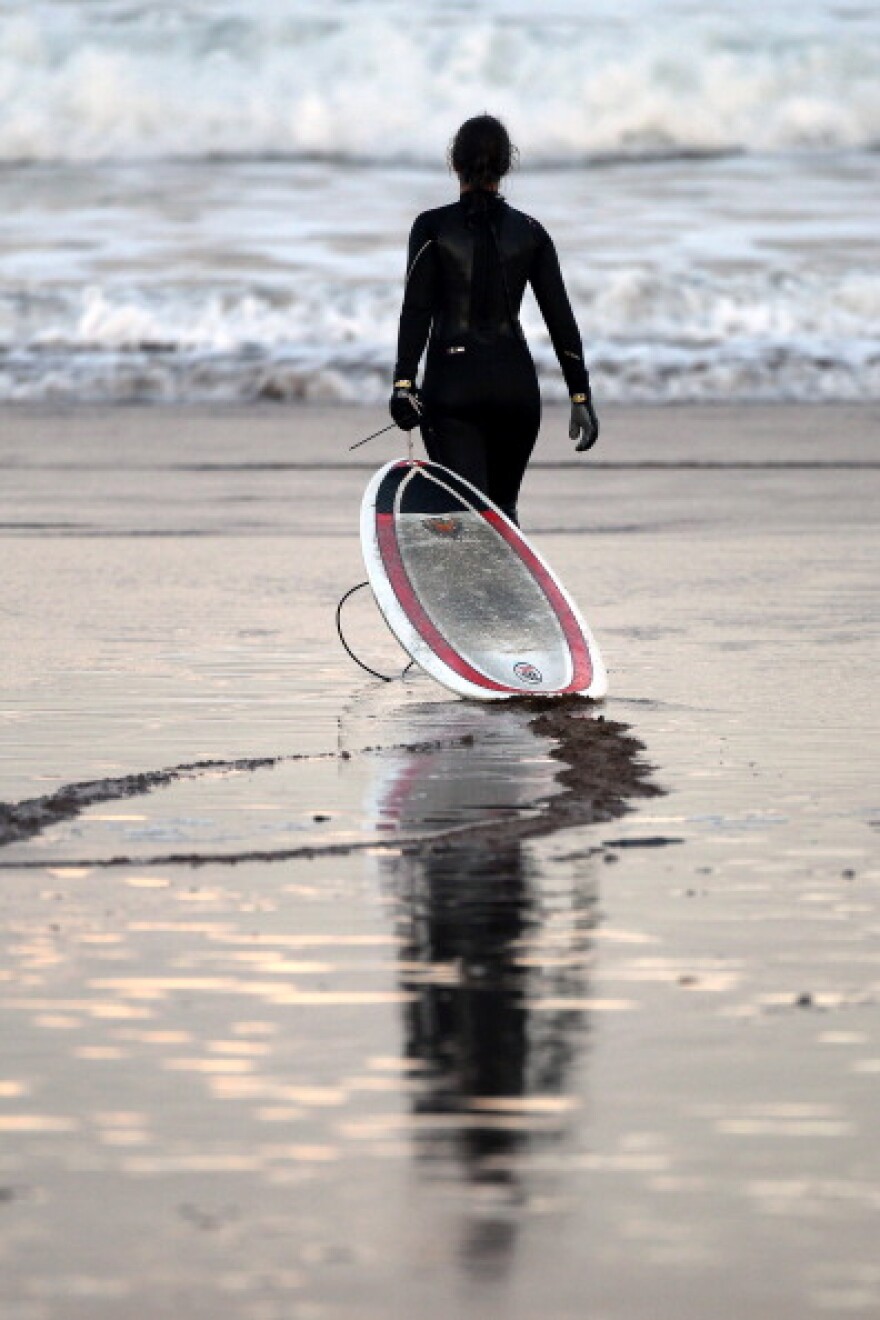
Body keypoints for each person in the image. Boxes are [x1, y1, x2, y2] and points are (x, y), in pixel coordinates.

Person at [388, 114, 599, 526]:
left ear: (455, 162)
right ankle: (510, 589)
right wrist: (580, 396)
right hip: (516, 391)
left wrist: (403, 384)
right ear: (506, 165)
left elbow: (416, 310)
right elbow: (561, 320)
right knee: (503, 514)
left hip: (453, 391)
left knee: (469, 518)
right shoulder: (532, 232)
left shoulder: (431, 228)